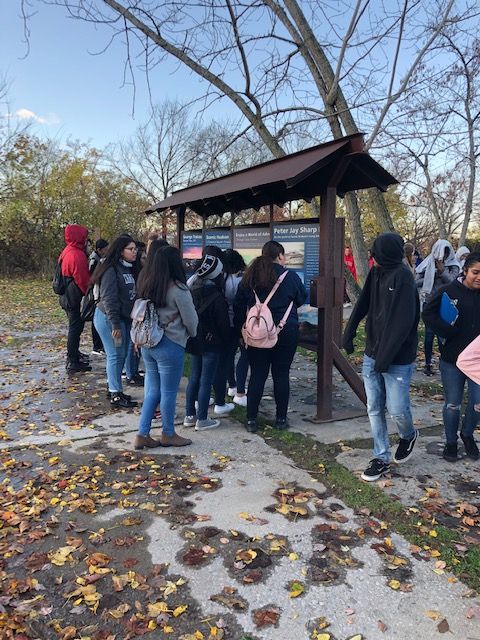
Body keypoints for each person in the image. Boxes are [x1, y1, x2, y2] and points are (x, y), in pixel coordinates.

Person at [342, 232, 420, 482]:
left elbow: (403, 324)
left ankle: (408, 435)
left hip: (397, 358)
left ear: (384, 254)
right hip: (373, 353)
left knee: (396, 409)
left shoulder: (404, 279)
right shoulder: (376, 273)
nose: (371, 257)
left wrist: (384, 360)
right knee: (374, 407)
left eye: (374, 253)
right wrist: (349, 331)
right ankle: (381, 456)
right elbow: (363, 303)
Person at [234, 240, 307, 433]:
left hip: (257, 333)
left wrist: (240, 331)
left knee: (257, 375)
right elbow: (301, 299)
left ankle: (251, 420)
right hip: (286, 331)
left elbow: (239, 304)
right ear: (280, 256)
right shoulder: (290, 277)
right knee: (281, 374)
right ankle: (281, 419)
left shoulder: (250, 276)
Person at [135, 245, 198, 449]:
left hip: (148, 343)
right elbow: (191, 320)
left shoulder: (146, 284)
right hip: (170, 344)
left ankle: (142, 433)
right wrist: (192, 333)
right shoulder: (179, 289)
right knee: (169, 391)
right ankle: (168, 433)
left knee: (153, 390)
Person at [422, 252, 480, 462]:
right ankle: (451, 442)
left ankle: (467, 434)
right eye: (476, 272)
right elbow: (427, 314)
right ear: (465, 271)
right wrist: (446, 330)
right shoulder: (448, 290)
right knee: (453, 404)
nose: (479, 277)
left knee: (478, 402)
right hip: (452, 360)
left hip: (477, 362)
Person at [184, 255, 231, 431]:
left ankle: (190, 415)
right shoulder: (217, 297)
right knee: (206, 380)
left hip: (195, 340)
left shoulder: (191, 291)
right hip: (212, 344)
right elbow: (224, 325)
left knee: (193, 378)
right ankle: (202, 418)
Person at [91, 235, 138, 409]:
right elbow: (109, 298)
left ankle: (115, 388)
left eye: (135, 249)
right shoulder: (111, 269)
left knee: (121, 355)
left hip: (122, 319)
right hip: (109, 319)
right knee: (115, 355)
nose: (134, 252)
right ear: (120, 251)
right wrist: (116, 324)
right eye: (130, 249)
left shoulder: (126, 268)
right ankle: (115, 394)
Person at [416, 239, 461, 376]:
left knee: (443, 335)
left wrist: (442, 272)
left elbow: (454, 282)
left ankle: (445, 362)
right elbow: (416, 281)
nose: (444, 256)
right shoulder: (426, 264)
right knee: (429, 336)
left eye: (447, 252)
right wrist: (432, 275)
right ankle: (428, 363)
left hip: (446, 304)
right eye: (442, 253)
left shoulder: (453, 265)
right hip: (429, 303)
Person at [212, 249, 249, 410]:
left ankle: (232, 385)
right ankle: (240, 392)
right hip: (240, 322)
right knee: (244, 355)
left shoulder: (221, 279)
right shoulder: (242, 280)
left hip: (223, 322)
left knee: (227, 356)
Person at [57, 224, 92, 373]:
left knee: (75, 326)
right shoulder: (76, 254)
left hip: (67, 296)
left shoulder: (67, 251)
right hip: (73, 297)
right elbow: (82, 279)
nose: (86, 239)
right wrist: (89, 294)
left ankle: (74, 354)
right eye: (84, 236)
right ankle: (72, 360)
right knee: (75, 328)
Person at [89, 239, 109, 356]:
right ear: (99, 250)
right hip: (96, 294)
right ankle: (97, 345)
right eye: (105, 249)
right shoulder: (95, 261)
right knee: (95, 319)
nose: (107, 251)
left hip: (98, 293)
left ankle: (99, 345)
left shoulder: (98, 259)